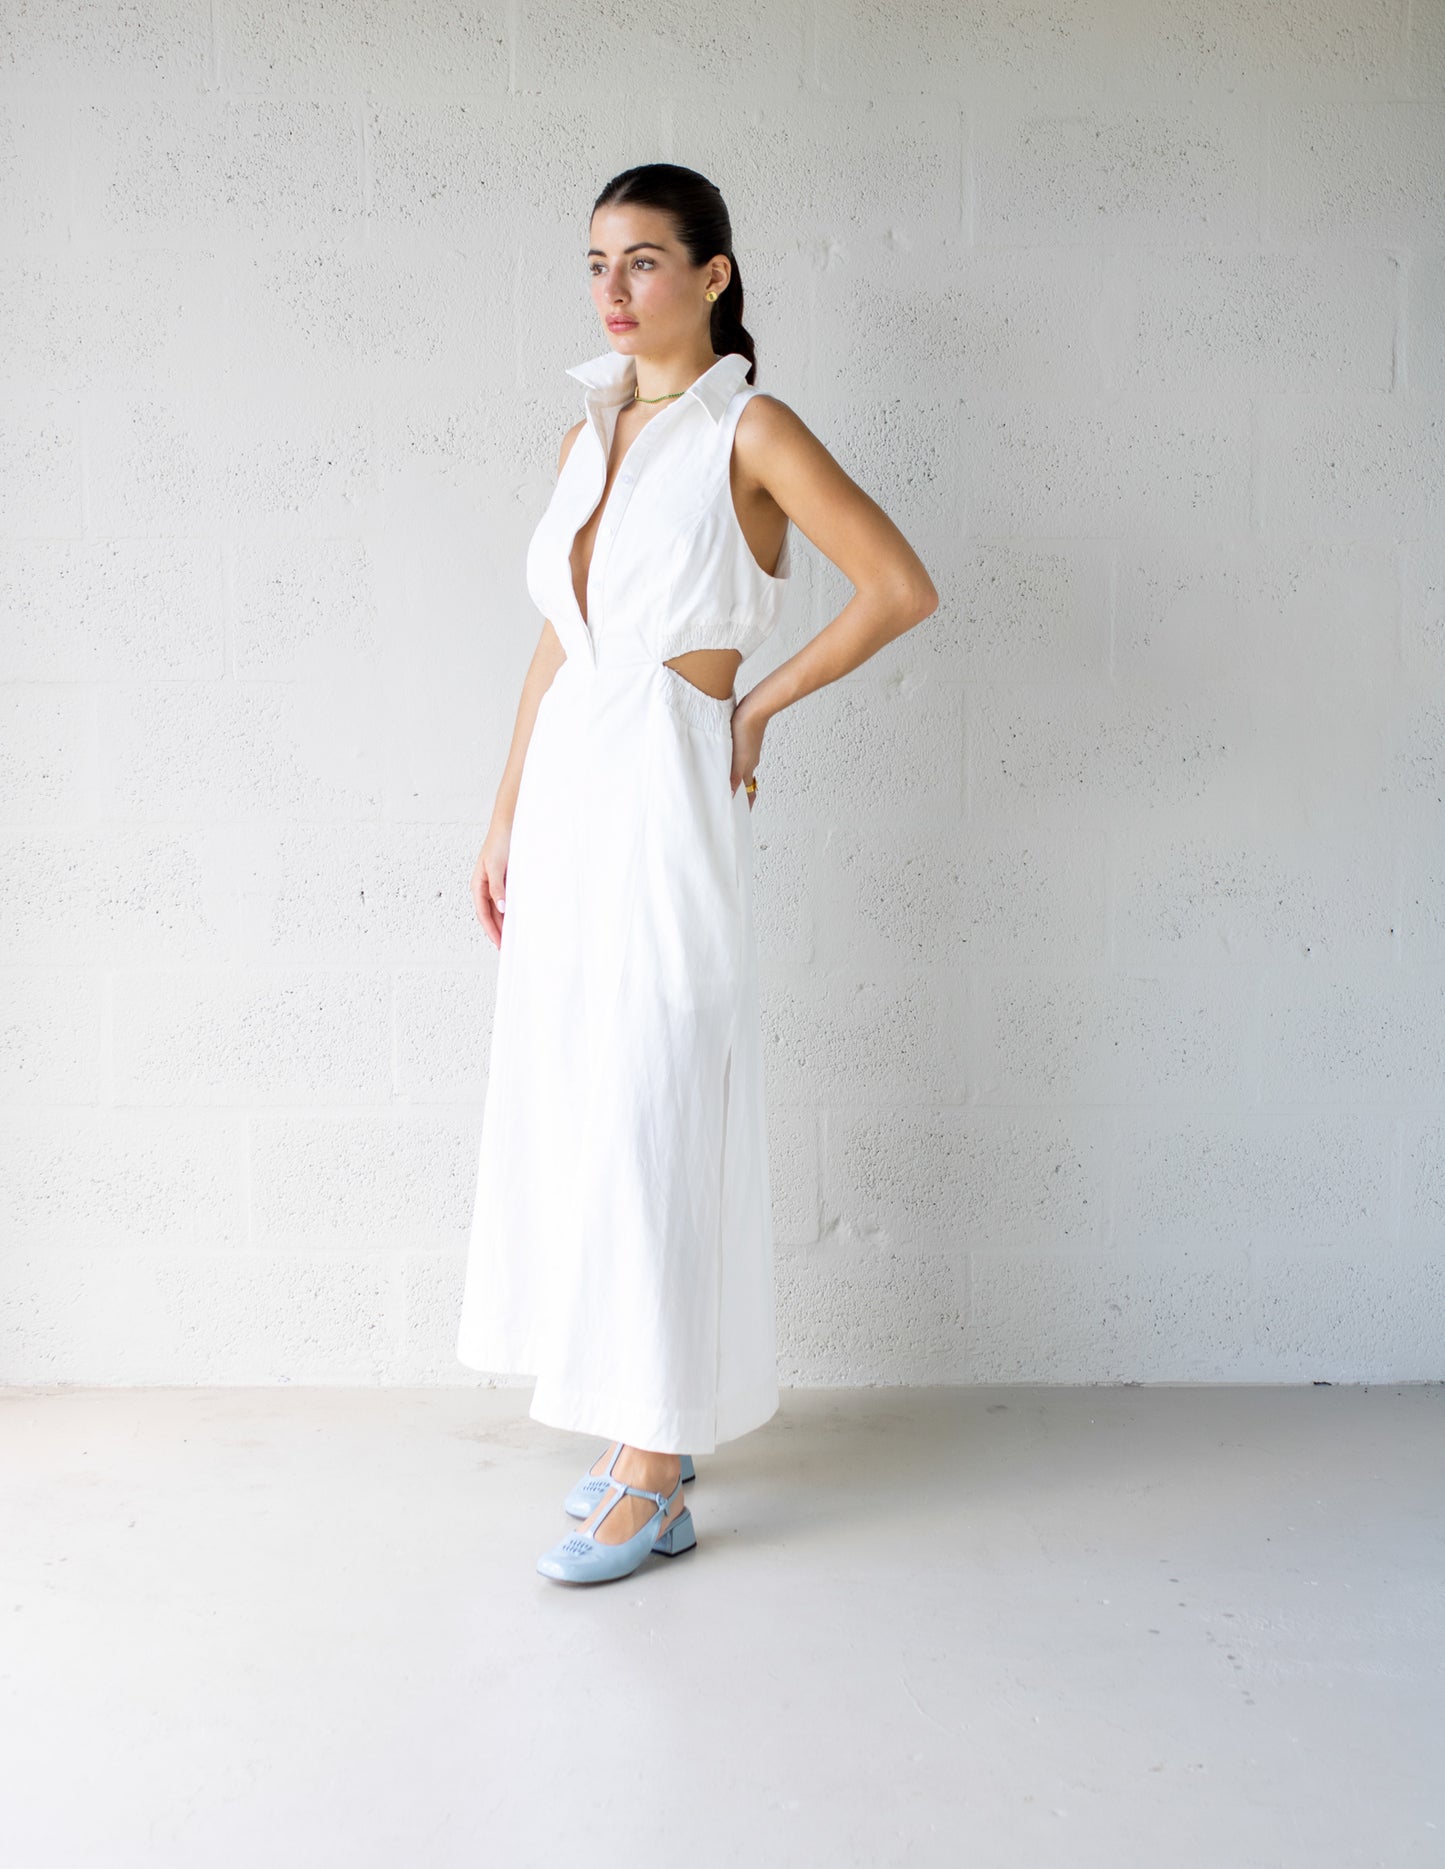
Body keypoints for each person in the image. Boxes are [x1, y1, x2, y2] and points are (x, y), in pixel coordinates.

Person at [455, 163, 938, 1585]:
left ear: (713, 275)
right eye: (596, 263)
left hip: (666, 782)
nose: (614, 290)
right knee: (581, 1097)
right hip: (568, 788)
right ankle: (633, 1425)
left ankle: (655, 1466)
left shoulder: (750, 428)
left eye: (645, 261)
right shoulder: (586, 433)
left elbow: (898, 587)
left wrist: (754, 707)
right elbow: (560, 638)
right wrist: (503, 814)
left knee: (657, 1090)